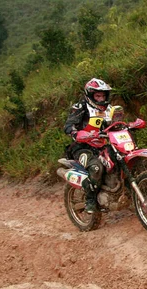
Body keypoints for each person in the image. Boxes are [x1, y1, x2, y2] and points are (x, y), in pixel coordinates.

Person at [64, 78, 114, 213]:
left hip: (102, 146)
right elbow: (68, 126)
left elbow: (118, 124)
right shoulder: (80, 107)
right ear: (90, 95)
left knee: (118, 159)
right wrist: (76, 133)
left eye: (103, 95)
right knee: (96, 167)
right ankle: (90, 200)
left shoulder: (110, 109)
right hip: (82, 147)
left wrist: (131, 125)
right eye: (98, 95)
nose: (101, 98)